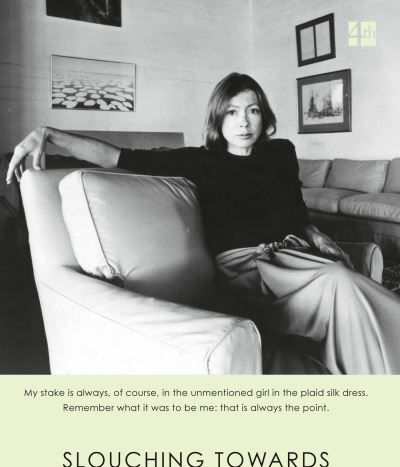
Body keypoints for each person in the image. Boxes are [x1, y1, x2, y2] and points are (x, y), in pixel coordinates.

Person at [6, 73, 400, 374]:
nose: (243, 121)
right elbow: (118, 157)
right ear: (218, 117)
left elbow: (294, 207)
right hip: (248, 269)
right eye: (232, 111)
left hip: (297, 257)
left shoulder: (281, 152)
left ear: (264, 116)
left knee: (357, 295)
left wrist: (315, 233)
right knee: (343, 283)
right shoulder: (200, 161)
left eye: (252, 110)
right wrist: (51, 135)